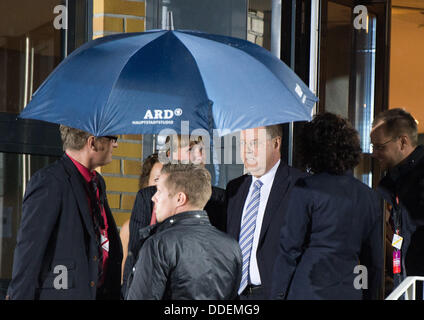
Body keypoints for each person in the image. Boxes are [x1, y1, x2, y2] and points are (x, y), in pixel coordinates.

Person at [270, 113, 383, 300]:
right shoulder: (369, 197)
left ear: (312, 149)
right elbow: (374, 263)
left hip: (307, 290)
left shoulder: (305, 188)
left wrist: (277, 295)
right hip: (348, 291)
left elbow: (288, 250)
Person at [6, 125, 123, 300]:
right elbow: (29, 253)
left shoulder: (98, 182)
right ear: (92, 143)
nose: (115, 145)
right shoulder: (49, 182)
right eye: (113, 139)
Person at [121, 134, 226, 296]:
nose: (199, 155)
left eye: (202, 149)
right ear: (170, 155)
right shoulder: (147, 197)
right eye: (190, 149)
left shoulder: (220, 199)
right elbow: (134, 254)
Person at [125, 164, 242, 300]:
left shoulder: (158, 245)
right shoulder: (232, 246)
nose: (153, 198)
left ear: (180, 199)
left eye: (159, 191)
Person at [226, 124, 306, 299]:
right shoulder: (235, 188)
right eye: (243, 143)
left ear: (276, 143)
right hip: (235, 296)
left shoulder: (300, 185)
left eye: (254, 143)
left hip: (278, 294)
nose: (247, 151)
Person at [370, 108, 424, 287]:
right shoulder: (391, 185)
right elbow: (399, 236)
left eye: (380, 147)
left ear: (402, 142)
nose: (374, 154)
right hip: (404, 284)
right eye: (373, 147)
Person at [119, 153, 162, 283]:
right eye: (156, 180)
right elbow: (124, 278)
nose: (161, 187)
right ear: (146, 184)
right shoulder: (129, 227)